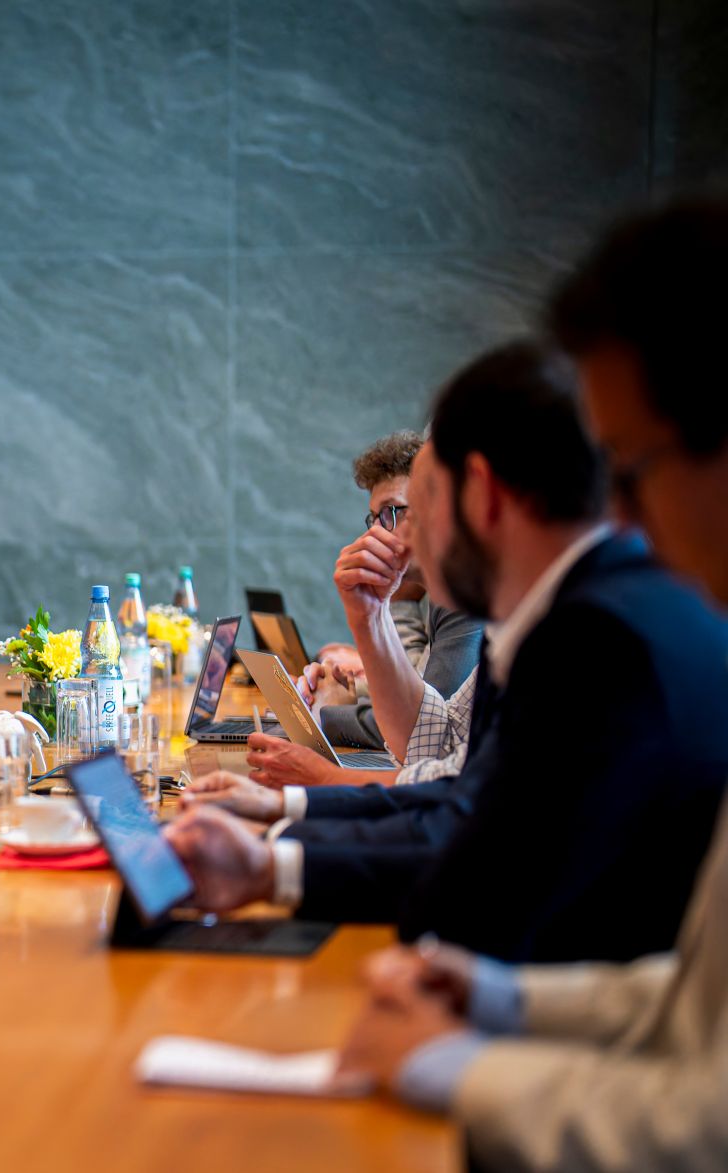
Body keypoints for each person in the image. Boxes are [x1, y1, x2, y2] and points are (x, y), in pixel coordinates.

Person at [336, 195, 728, 1171]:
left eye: (628, 470)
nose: (617, 522)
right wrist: (501, 1000)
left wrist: (452, 1066)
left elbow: (710, 1117)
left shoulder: (604, 634)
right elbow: (695, 999)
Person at [165, 338, 728, 965]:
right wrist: (283, 807)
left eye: (419, 507)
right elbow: (447, 770)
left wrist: (273, 862)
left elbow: (477, 848)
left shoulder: (592, 639)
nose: (401, 541)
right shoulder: (558, 616)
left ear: (481, 494)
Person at [308, 431, 484, 752]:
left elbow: (427, 732)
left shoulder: (466, 593)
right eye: (374, 518)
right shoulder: (433, 595)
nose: (376, 532)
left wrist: (327, 713)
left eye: (392, 512)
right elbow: (423, 701)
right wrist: (355, 689)